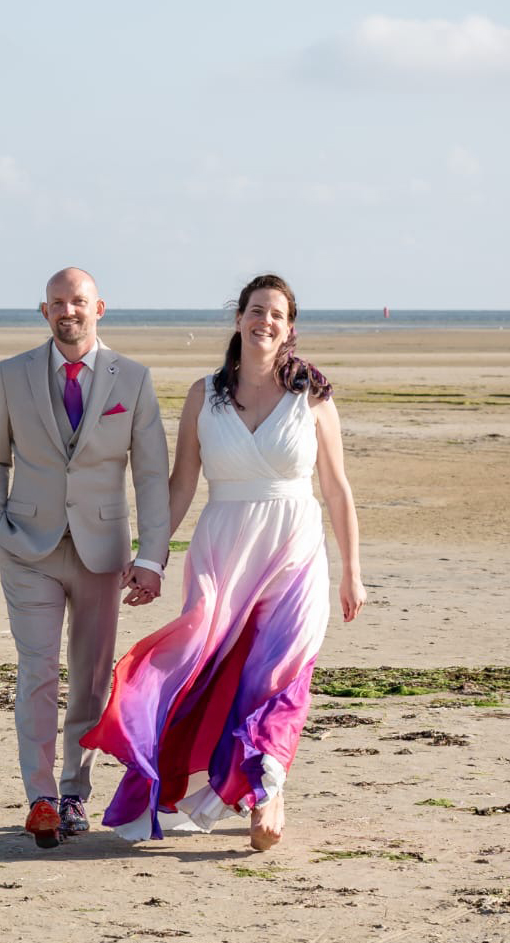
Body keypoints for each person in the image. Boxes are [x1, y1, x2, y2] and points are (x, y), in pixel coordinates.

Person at [81, 274, 365, 849]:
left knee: (278, 672)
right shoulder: (203, 394)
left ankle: (268, 789)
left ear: (290, 328)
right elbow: (181, 485)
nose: (266, 321)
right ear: (239, 319)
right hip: (223, 549)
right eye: (256, 310)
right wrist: (150, 558)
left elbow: (336, 489)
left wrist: (352, 570)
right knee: (199, 663)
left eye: (278, 314)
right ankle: (199, 775)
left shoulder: (312, 395)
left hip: (296, 546)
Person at [0, 267, 171, 848]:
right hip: (27, 549)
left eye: (79, 301)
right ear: (44, 311)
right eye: (58, 302)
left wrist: (152, 557)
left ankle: (72, 793)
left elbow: (153, 476)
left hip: (101, 554)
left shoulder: (133, 380)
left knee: (90, 681)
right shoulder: (12, 375)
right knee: (37, 671)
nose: (69, 311)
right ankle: (39, 797)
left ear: (99, 308)